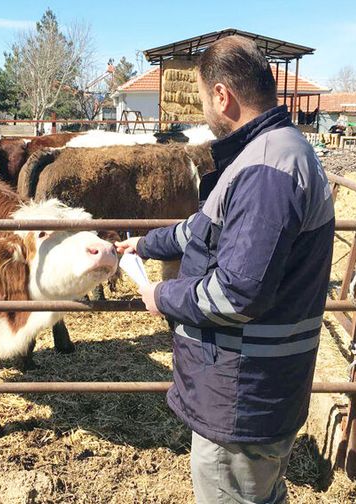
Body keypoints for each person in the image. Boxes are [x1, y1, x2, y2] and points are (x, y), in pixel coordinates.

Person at [116, 36, 335, 503]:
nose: (202, 111)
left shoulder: (266, 172)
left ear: (222, 95)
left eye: (202, 98)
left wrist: (162, 297)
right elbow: (205, 229)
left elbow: (238, 293)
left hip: (242, 394)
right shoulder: (274, 152)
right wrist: (144, 244)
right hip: (254, 387)